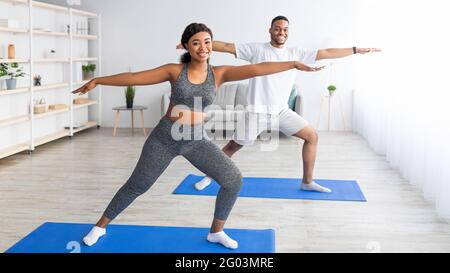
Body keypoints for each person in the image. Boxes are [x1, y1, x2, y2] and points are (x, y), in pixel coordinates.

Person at [72, 23, 324, 249]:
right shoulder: (174, 71)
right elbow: (135, 78)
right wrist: (98, 80)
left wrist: (292, 63)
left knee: (233, 180)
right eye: (196, 42)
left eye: (207, 42)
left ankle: (216, 231)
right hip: (165, 138)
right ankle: (100, 226)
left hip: (195, 140)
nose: (203, 47)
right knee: (139, 185)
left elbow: (257, 69)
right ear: (186, 46)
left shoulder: (220, 73)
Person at [181, 16, 381, 193]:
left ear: (288, 32)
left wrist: (355, 50)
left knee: (312, 136)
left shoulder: (296, 52)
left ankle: (307, 182)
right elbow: (225, 47)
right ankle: (208, 176)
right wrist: (194, 45)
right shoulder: (257, 49)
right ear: (270, 30)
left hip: (282, 111)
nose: (281, 32)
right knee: (233, 146)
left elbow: (327, 52)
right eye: (277, 28)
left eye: (285, 29)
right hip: (257, 112)